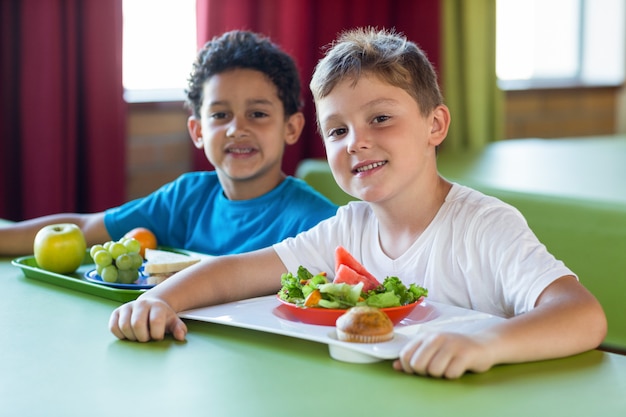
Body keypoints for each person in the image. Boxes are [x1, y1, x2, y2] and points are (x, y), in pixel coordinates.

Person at [108, 28, 607, 379]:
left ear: (435, 125)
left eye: (381, 119)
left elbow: (583, 315)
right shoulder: (347, 227)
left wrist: (487, 345)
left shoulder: (484, 224)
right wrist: (159, 300)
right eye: (338, 130)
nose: (356, 143)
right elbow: (236, 272)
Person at [0, 30, 337, 256]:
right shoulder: (184, 199)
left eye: (258, 114)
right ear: (197, 131)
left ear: (291, 128)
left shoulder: (319, 222)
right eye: (220, 115)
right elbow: (86, 227)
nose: (237, 129)